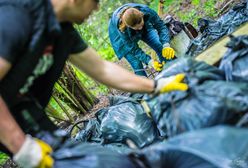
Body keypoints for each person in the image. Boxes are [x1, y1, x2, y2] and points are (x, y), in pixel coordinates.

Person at [0, 0, 188, 167]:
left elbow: (102, 70)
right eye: (95, 1)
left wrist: (157, 86)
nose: (97, 7)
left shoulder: (63, 32)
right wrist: (21, 146)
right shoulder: (16, 17)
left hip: (28, 114)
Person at [108, 3, 176, 77]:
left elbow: (161, 26)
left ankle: (171, 72)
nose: (140, 28)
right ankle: (146, 86)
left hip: (144, 28)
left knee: (159, 45)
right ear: (129, 26)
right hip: (118, 37)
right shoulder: (122, 29)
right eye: (137, 28)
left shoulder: (146, 11)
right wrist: (150, 62)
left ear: (142, 16)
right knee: (137, 64)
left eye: (141, 25)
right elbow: (133, 49)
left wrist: (166, 44)